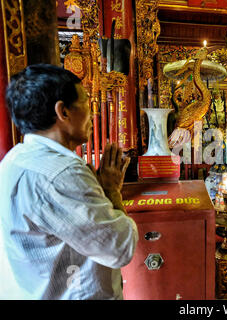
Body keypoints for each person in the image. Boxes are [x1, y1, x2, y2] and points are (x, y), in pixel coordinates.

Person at [0, 64, 138, 299]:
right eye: (86, 103)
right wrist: (111, 191)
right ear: (63, 111)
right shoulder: (62, 174)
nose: (93, 115)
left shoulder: (14, 159)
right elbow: (120, 247)